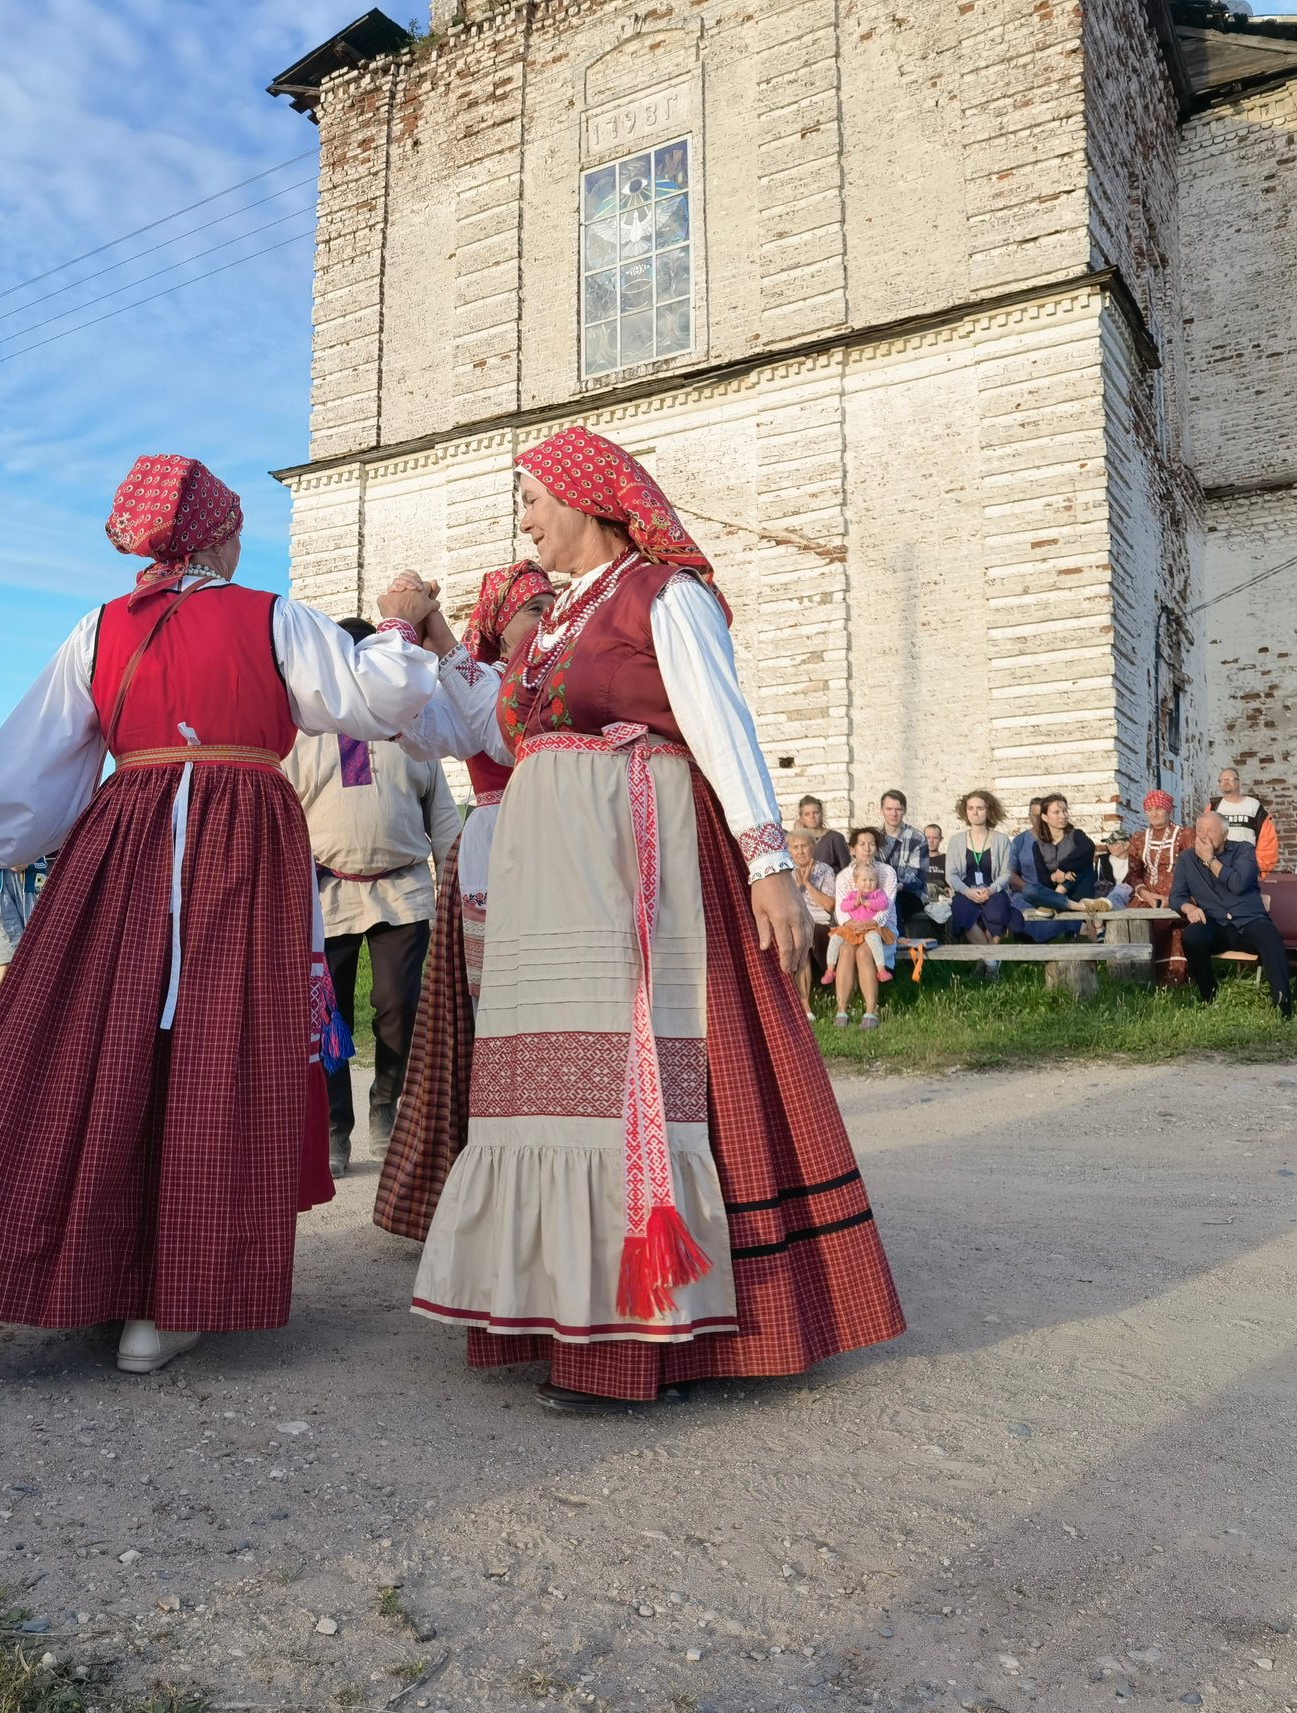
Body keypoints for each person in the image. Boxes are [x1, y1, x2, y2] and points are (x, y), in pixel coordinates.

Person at [388, 423, 905, 1410]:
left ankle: (646, 1331)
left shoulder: (664, 597)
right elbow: (494, 721)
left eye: (535, 496)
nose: (525, 516)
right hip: (554, 889)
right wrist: (439, 643)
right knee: (553, 1087)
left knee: (629, 1083)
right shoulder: (548, 627)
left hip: (637, 868)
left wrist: (767, 863)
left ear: (588, 499)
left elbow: (720, 721)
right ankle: (561, 1305)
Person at [0, 455, 441, 1376]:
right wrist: (397, 618)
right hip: (242, 835)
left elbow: (39, 763)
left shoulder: (100, 627)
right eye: (236, 526)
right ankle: (168, 1296)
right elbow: (375, 697)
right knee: (212, 1044)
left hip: (127, 834)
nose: (243, 542)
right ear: (215, 536)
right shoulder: (269, 614)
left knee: (107, 1035)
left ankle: (98, 1274)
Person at [373, 560, 555, 1244]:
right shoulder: (491, 681)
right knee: (493, 1013)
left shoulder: (549, 680)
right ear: (501, 627)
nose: (548, 616)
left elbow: (503, 723)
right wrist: (416, 630)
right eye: (534, 608)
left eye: (550, 603)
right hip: (498, 841)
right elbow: (433, 731)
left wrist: (437, 631)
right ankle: (492, 1176)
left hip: (554, 838)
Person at [286, 619, 465, 1176]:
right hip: (327, 894)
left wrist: (457, 877)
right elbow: (285, 815)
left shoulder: (413, 731)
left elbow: (442, 816)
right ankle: (335, 1128)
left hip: (403, 891)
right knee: (329, 1017)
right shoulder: (303, 734)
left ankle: (387, 1111)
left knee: (399, 1007)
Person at [1172, 810, 1294, 1017]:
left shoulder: (1244, 850)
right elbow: (1176, 896)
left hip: (1249, 922)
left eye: (1210, 831)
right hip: (1215, 924)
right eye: (1200, 830)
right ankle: (1209, 997)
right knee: (1192, 937)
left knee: (1269, 936)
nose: (1203, 835)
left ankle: (1283, 1003)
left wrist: (1210, 860)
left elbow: (1238, 884)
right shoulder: (1187, 859)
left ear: (1225, 834)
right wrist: (1189, 907)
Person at [827, 825, 898, 1027]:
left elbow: (887, 905)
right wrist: (852, 925)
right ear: (852, 849)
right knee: (846, 950)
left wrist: (871, 923)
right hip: (853, 928)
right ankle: (842, 1011)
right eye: (862, 844)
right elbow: (841, 910)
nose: (867, 848)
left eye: (872, 844)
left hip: (880, 928)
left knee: (864, 952)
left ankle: (870, 1011)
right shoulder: (844, 876)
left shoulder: (886, 872)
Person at [1013, 794, 1103, 942]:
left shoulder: (1076, 835)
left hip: (1077, 889)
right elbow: (1043, 880)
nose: (1063, 815)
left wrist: (1063, 869)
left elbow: (1089, 847)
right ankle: (1082, 907)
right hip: (1055, 895)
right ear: (1045, 817)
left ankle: (1060, 897)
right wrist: (1055, 877)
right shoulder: (1038, 845)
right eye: (1057, 812)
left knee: (1083, 862)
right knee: (1029, 890)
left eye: (1065, 811)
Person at [1126, 790, 1190, 985]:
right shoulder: (1138, 838)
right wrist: (1147, 894)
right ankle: (1135, 977)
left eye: (1159, 809)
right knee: (1136, 921)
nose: (1154, 813)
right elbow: (1133, 874)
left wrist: (1176, 897)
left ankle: (1174, 980)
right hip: (1147, 895)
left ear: (1168, 810)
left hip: (1177, 894)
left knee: (1175, 926)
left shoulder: (1185, 835)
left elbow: (1194, 870)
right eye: (1150, 809)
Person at [943, 789, 1014, 942]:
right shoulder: (956, 841)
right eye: (971, 808)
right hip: (966, 891)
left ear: (989, 811)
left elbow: (1006, 873)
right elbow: (951, 875)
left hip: (993, 890)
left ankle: (987, 960)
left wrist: (991, 890)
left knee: (999, 910)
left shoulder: (1001, 840)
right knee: (962, 910)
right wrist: (967, 891)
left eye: (980, 808)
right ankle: (991, 961)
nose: (975, 813)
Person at [876, 790, 935, 937]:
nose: (893, 814)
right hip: (879, 891)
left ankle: (898, 944)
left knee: (891, 900)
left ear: (905, 811)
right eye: (889, 809)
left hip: (910, 893)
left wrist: (895, 886)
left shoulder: (917, 837)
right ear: (881, 810)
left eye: (898, 809)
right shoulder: (874, 837)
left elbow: (917, 876)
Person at [788, 827, 838, 999]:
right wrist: (798, 884)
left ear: (813, 847)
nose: (800, 851)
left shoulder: (825, 870)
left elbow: (829, 906)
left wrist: (808, 884)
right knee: (800, 938)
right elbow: (785, 903)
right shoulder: (785, 872)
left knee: (808, 936)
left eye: (804, 846)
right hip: (795, 922)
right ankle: (805, 1004)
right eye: (795, 847)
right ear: (789, 850)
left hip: (820, 923)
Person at [1208, 765, 1280, 874]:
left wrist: (1258, 865)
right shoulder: (1213, 808)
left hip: (1247, 866)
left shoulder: (1254, 806)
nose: (1225, 782)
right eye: (1222, 780)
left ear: (1239, 782)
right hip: (1219, 867)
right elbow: (1204, 837)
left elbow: (1267, 838)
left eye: (1230, 779)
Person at [794, 794, 849, 874]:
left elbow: (846, 870)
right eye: (807, 814)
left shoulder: (836, 838)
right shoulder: (796, 841)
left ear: (821, 814)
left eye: (815, 813)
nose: (812, 817)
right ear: (802, 818)